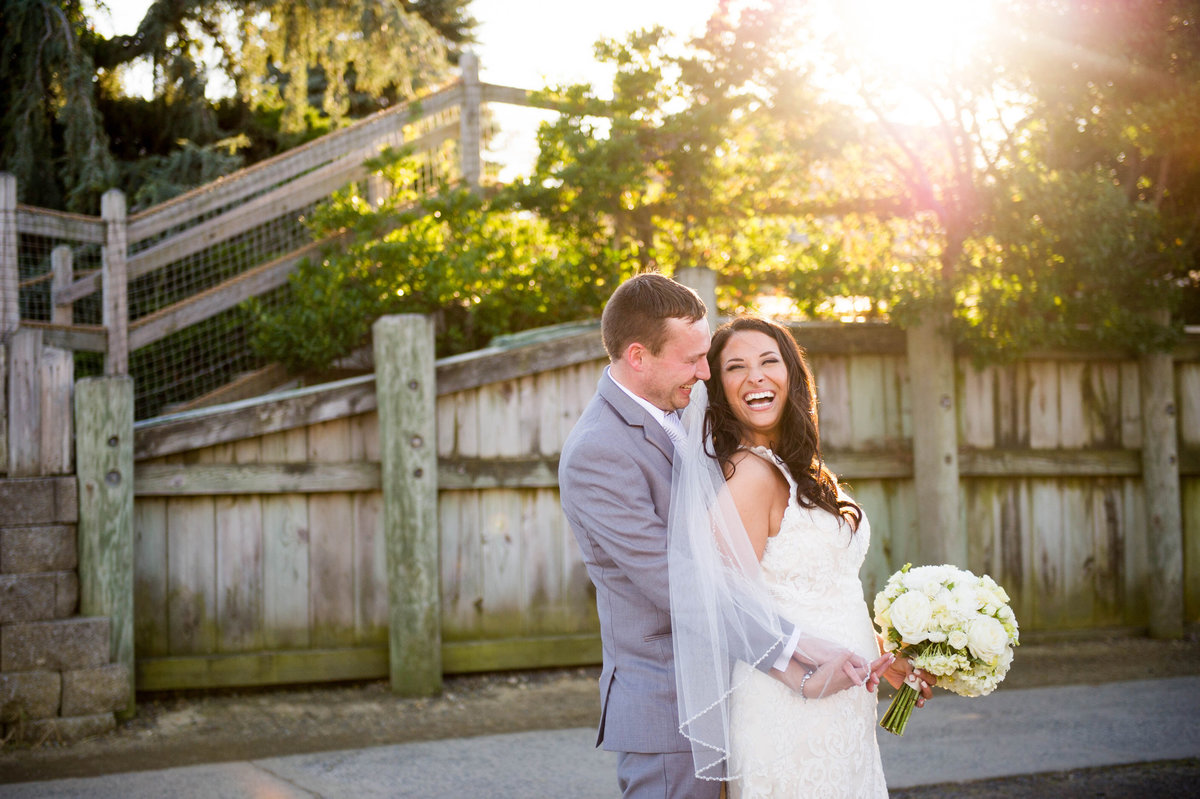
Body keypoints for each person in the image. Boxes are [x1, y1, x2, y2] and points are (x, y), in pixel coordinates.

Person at [559, 274, 885, 799]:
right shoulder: (598, 452)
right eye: (692, 359)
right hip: (672, 708)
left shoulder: (690, 409)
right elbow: (674, 582)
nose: (705, 372)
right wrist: (795, 655)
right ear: (638, 356)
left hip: (744, 685)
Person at [670, 315, 931, 797]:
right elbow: (725, 611)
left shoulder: (800, 470)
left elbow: (824, 591)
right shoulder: (749, 475)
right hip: (788, 701)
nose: (756, 377)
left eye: (769, 361)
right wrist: (807, 678)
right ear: (718, 387)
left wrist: (882, 656)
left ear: (792, 374)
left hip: (847, 697)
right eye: (736, 368)